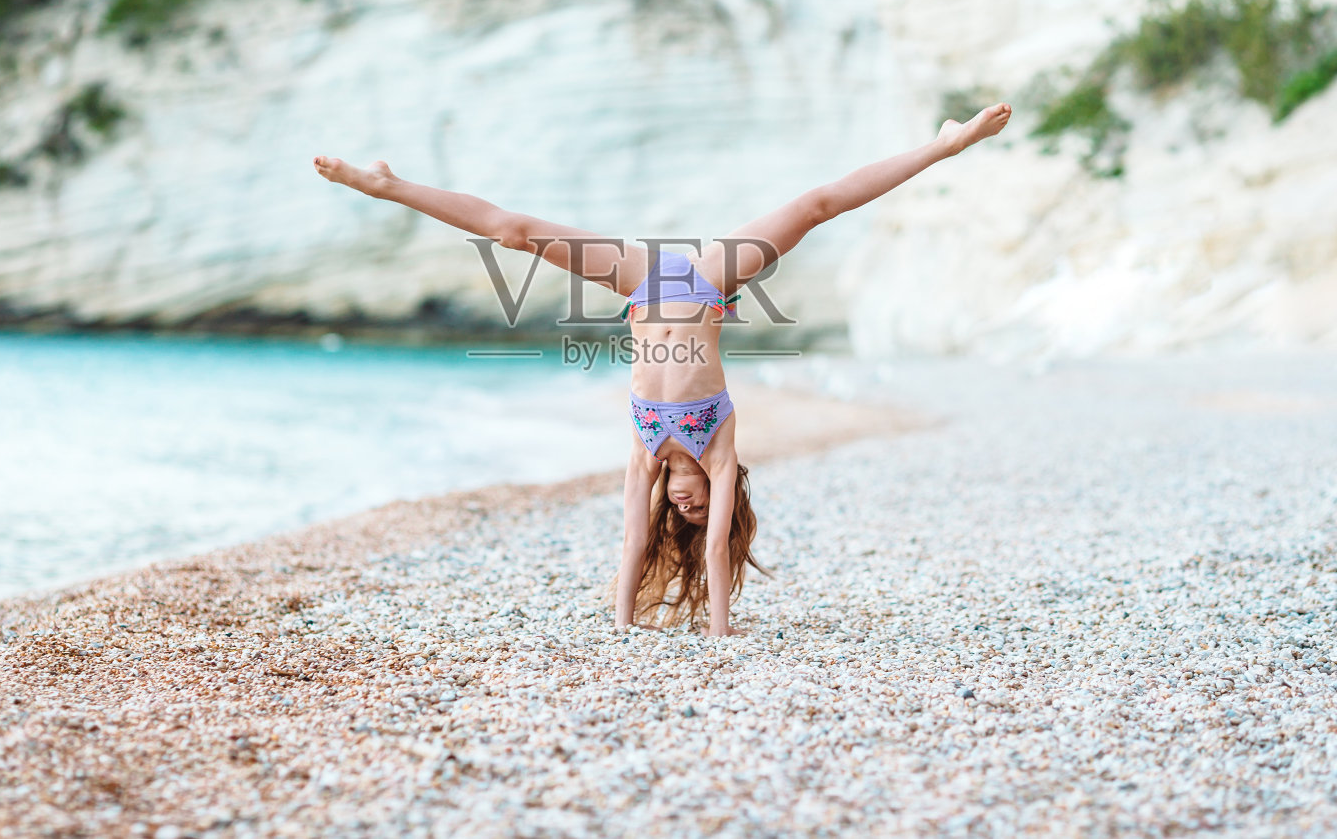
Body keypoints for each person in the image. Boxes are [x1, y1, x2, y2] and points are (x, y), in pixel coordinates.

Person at [314, 102, 1012, 636]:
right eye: (704, 505)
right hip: (707, 280)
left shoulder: (645, 454)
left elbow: (634, 541)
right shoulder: (718, 442)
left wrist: (620, 631)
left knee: (513, 236)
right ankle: (946, 143)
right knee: (815, 205)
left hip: (645, 284)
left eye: (687, 510)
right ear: (722, 492)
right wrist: (721, 632)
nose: (691, 506)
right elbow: (716, 554)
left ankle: (386, 187)